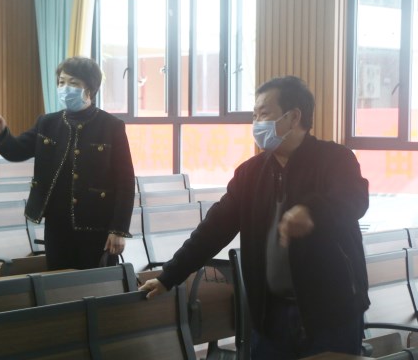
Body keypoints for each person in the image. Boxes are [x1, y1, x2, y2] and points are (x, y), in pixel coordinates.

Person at [139, 76, 370, 359]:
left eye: (264, 114)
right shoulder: (250, 173)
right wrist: (168, 276)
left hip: (331, 313)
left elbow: (354, 200)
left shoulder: (335, 158)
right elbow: (213, 230)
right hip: (270, 315)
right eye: (254, 116)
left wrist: (312, 211)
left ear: (293, 117)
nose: (256, 123)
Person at [0, 56, 135, 271]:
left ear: (90, 89)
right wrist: (1, 134)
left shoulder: (111, 126)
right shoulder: (47, 123)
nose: (65, 88)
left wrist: (118, 230)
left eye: (73, 83)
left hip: (96, 226)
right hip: (56, 225)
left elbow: (126, 182)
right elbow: (17, 151)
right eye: (61, 82)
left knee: (95, 285)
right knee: (58, 282)